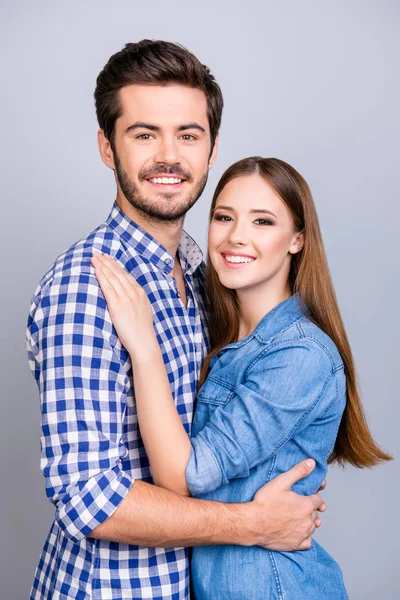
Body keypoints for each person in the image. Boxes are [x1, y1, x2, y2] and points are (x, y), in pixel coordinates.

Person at [26, 41, 327, 600]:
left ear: (211, 149)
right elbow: (89, 497)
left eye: (187, 134)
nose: (169, 156)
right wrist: (253, 525)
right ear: (105, 147)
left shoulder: (205, 275)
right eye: (144, 134)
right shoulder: (86, 289)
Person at [91, 156, 391, 599]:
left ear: (297, 240)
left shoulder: (300, 354)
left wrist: (144, 347)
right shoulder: (221, 332)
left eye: (263, 221)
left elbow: (186, 475)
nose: (236, 237)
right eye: (223, 217)